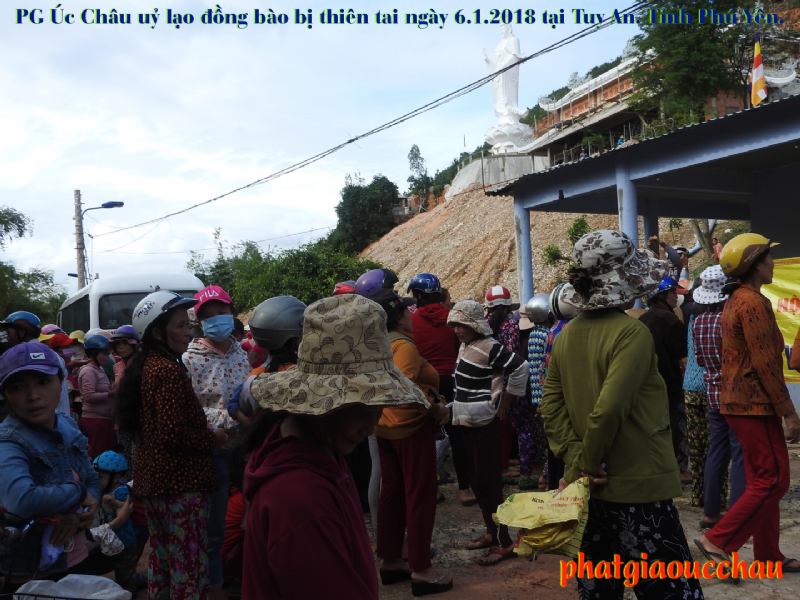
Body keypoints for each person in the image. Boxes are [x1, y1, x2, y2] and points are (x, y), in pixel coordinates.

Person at [541, 229, 702, 599]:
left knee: (598, 588)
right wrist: (588, 463)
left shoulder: (566, 335)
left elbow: (551, 406)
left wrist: (577, 462)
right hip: (637, 485)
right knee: (669, 589)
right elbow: (610, 409)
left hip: (587, 491)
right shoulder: (632, 333)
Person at [240, 294, 434, 599]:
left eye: (378, 412)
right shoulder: (301, 498)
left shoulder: (316, 445)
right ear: (322, 404)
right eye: (360, 414)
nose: (369, 428)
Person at [696, 233, 800, 574]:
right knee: (774, 480)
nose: (772, 264)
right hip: (754, 404)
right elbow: (766, 363)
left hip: (739, 402)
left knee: (762, 480)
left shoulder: (738, 299)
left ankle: (769, 555)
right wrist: (789, 412)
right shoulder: (753, 303)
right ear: (755, 265)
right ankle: (718, 540)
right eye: (768, 258)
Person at [117, 290, 227, 600]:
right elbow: (173, 434)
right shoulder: (166, 371)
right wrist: (214, 437)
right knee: (187, 564)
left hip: (157, 482)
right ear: (157, 332)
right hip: (179, 485)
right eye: (179, 325)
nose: (187, 332)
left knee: (164, 559)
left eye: (187, 324)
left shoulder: (150, 365)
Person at [367, 288, 453, 594]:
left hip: (384, 425)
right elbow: (403, 386)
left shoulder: (377, 345)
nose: (411, 316)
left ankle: (392, 561)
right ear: (399, 318)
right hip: (410, 427)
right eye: (407, 311)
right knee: (420, 495)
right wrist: (434, 408)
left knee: (392, 492)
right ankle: (421, 569)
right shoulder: (402, 346)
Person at [0, 342, 100, 590]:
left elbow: (91, 479)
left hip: (77, 555)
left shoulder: (67, 423)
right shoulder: (8, 440)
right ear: (7, 395)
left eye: (43, 382)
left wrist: (79, 513)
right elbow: (22, 500)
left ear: (61, 382)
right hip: (33, 572)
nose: (33, 396)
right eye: (18, 387)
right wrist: (79, 494)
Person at [182, 285, 250, 600]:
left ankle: (250, 576)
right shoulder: (188, 359)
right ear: (199, 322)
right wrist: (220, 424)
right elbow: (189, 409)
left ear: (231, 313)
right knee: (214, 527)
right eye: (208, 315)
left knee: (256, 514)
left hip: (245, 446)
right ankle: (215, 588)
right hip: (213, 451)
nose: (216, 319)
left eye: (221, 312)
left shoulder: (241, 353)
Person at [448, 300, 528, 565]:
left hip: (486, 425)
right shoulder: (465, 346)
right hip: (467, 423)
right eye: (454, 325)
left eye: (461, 324)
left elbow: (521, 367)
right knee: (477, 481)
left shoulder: (489, 346)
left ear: (475, 325)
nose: (457, 330)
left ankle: (505, 542)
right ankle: (491, 533)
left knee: (489, 484)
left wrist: (508, 397)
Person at [409, 273, 475, 507]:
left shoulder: (411, 321)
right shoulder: (453, 318)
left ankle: (433, 490)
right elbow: (462, 348)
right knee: (458, 438)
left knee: (424, 438)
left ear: (418, 296)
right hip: (452, 380)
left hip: (425, 383)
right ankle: (465, 490)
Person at [692, 266, 744, 529]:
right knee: (740, 452)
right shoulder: (731, 318)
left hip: (712, 392)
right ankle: (737, 516)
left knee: (716, 451)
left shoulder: (698, 322)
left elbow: (701, 360)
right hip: (736, 393)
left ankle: (710, 513)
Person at [485, 285, 538, 490]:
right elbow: (515, 357)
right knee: (524, 430)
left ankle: (496, 472)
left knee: (493, 431)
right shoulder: (513, 325)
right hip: (513, 386)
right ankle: (525, 475)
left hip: (489, 386)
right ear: (509, 306)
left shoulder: (484, 327)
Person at [639, 276, 691, 483]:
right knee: (676, 427)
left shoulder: (643, 319)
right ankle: (679, 470)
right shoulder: (669, 319)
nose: (675, 297)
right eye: (672, 293)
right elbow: (682, 349)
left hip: (647, 385)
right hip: (669, 383)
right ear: (661, 296)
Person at [93, 450, 138, 593]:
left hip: (125, 542)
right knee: (117, 568)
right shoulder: (104, 490)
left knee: (125, 574)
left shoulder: (120, 490)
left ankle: (130, 592)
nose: (97, 480)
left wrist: (114, 502)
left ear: (116, 477)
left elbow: (127, 506)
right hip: (112, 539)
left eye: (100, 477)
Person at [521, 294, 552, 489]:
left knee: (542, 435)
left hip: (535, 394)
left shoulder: (533, 334)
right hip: (545, 394)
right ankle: (547, 476)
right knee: (552, 438)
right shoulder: (547, 335)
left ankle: (543, 472)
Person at [78, 334, 117, 459]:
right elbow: (89, 396)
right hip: (95, 420)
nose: (108, 356)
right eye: (105, 353)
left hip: (104, 419)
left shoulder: (99, 369)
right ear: (94, 353)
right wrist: (111, 394)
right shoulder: (88, 371)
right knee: (96, 457)